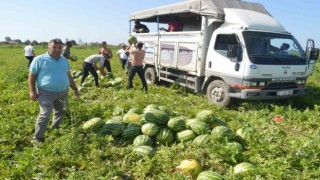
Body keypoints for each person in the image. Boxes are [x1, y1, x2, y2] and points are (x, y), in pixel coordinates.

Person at [28, 38, 80, 144]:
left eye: (59, 47)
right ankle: (38, 138)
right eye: (54, 47)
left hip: (63, 91)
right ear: (49, 47)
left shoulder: (64, 60)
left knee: (60, 111)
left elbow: (68, 76)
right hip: (46, 92)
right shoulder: (39, 59)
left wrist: (75, 89)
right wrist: (32, 91)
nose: (57, 50)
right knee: (45, 114)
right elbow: (31, 76)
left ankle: (55, 130)